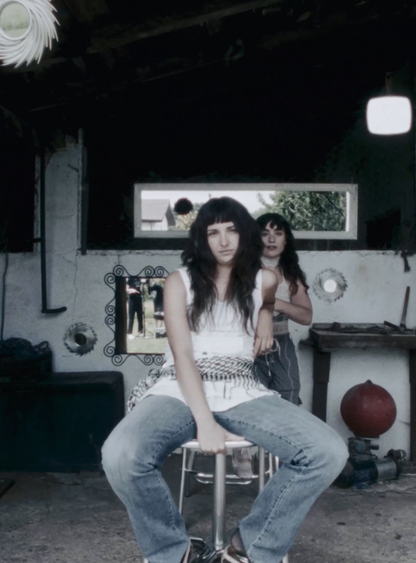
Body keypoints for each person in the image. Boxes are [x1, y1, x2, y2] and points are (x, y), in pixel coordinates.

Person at [102, 197, 347, 563]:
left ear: (245, 233)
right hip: (179, 388)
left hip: (241, 389)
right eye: (213, 232)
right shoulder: (179, 282)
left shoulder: (266, 279)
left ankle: (250, 547)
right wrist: (206, 423)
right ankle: (173, 551)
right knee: (120, 456)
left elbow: (267, 301)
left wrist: (265, 315)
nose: (224, 241)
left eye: (232, 230)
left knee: (328, 451)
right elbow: (182, 355)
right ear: (201, 239)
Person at [252, 213, 312, 406]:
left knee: (289, 396)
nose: (271, 239)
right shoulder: (244, 270)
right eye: (265, 234)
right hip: (249, 342)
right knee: (252, 398)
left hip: (282, 344)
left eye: (278, 233)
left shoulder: (291, 273)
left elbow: (306, 317)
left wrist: (274, 302)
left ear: (285, 239)